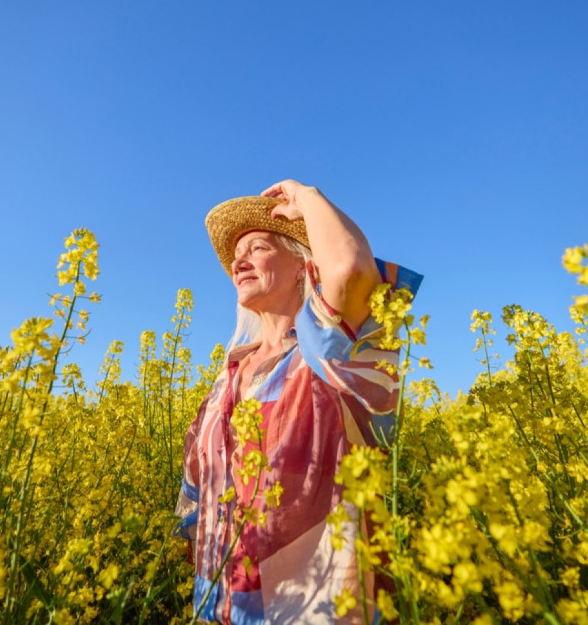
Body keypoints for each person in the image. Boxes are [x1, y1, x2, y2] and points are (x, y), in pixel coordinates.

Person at [175, 180, 423, 624]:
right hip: (221, 609)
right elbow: (195, 506)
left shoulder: (326, 357)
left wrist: (306, 198)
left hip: (316, 609)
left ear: (301, 268)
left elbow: (349, 268)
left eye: (259, 247)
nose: (239, 259)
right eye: (237, 253)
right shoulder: (224, 380)